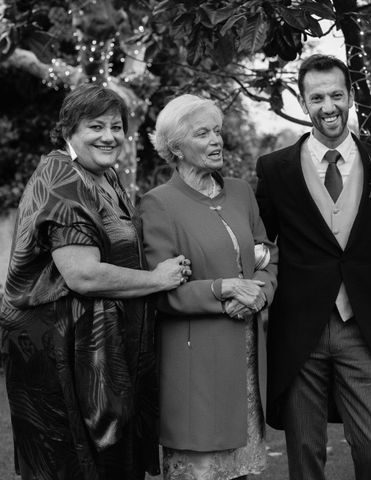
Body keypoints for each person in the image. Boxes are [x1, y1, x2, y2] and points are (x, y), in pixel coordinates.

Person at [0, 84, 190, 480]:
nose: (109, 136)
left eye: (116, 126)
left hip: (103, 353)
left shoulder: (105, 176)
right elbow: (82, 274)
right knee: (77, 465)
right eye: (95, 126)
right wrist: (156, 279)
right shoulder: (61, 177)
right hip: (63, 355)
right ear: (69, 130)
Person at [255, 54, 371, 480]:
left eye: (337, 94)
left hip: (361, 323)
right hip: (300, 329)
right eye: (317, 97)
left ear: (351, 96)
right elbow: (262, 242)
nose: (328, 106)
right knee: (305, 452)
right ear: (304, 104)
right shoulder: (275, 169)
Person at [139, 94, 278, 480]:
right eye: (203, 133)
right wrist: (223, 289)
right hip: (195, 365)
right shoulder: (158, 205)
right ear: (176, 147)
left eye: (217, 131)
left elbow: (268, 257)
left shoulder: (240, 191)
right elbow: (162, 292)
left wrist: (259, 295)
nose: (217, 140)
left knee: (241, 473)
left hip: (246, 361)